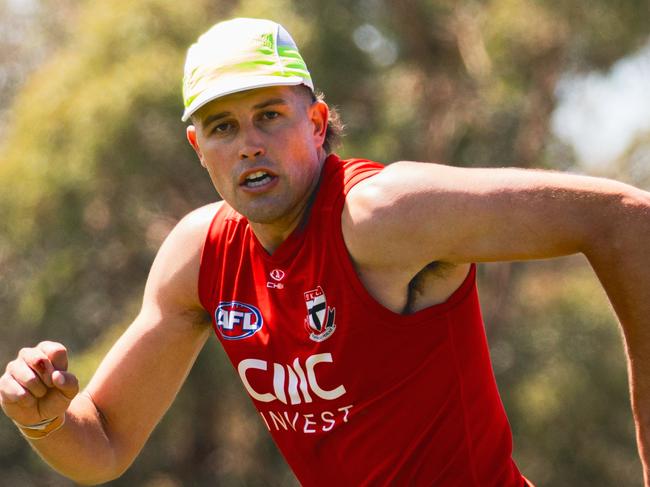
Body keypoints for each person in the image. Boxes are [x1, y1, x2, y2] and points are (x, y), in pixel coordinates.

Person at [1, 17, 649, 486]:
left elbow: (624, 219)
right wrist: (45, 421)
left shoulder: (382, 215)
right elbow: (105, 445)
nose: (249, 142)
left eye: (270, 115)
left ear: (316, 123)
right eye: (224, 127)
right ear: (200, 149)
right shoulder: (202, 256)